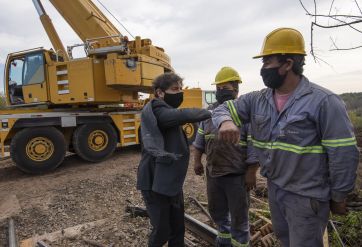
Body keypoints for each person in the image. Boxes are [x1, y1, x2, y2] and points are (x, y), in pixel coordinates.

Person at [212, 28, 359, 247]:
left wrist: (338, 196)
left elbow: (343, 153)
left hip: (306, 196)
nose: (262, 69)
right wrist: (225, 121)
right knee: (285, 240)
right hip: (275, 189)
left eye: (267, 62)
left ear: (288, 64)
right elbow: (222, 109)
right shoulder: (258, 100)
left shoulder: (324, 101)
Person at [137, 72, 211, 247]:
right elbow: (181, 115)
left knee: (178, 228)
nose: (179, 93)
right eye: (174, 89)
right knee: (162, 231)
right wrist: (210, 113)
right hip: (154, 182)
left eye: (180, 89)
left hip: (170, 181)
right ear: (160, 92)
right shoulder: (156, 110)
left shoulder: (166, 110)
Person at [193, 67, 258, 247]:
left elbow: (253, 144)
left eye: (226, 87)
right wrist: (197, 161)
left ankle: (241, 243)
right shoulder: (208, 114)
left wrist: (252, 171)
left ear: (236, 89)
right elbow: (200, 140)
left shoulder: (244, 115)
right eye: (219, 88)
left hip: (237, 176)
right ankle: (224, 240)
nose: (221, 91)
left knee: (239, 217)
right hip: (214, 174)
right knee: (217, 211)